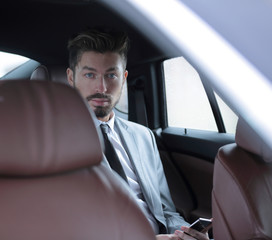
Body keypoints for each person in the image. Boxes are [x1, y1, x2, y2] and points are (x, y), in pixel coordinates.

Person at [66, 28, 210, 240]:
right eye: (89, 74)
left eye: (111, 75)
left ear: (124, 78)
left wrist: (185, 234)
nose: (102, 87)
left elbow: (166, 213)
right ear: (71, 78)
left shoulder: (143, 136)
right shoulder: (54, 144)